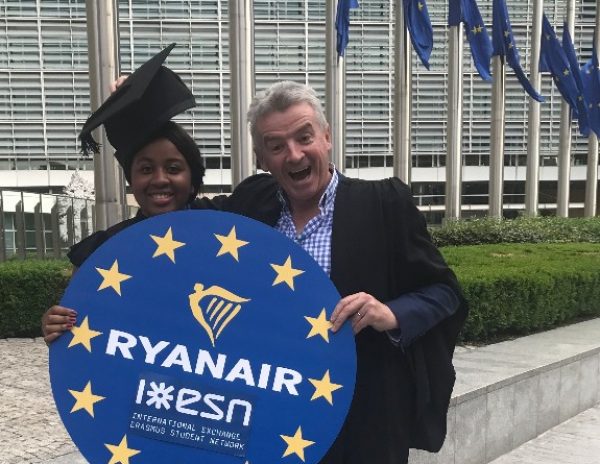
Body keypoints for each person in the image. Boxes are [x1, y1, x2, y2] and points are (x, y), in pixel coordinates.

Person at [242, 81, 468, 463]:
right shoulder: (250, 207)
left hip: (361, 418)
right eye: (276, 146)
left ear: (327, 138)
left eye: (304, 137)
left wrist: (390, 313)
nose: (294, 154)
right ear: (261, 158)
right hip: (272, 414)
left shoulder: (383, 205)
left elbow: (444, 292)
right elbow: (174, 206)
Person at [42, 44, 207, 343]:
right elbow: (74, 325)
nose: (160, 179)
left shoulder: (227, 224)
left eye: (173, 168)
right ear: (131, 179)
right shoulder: (103, 251)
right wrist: (55, 324)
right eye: (146, 169)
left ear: (193, 178)